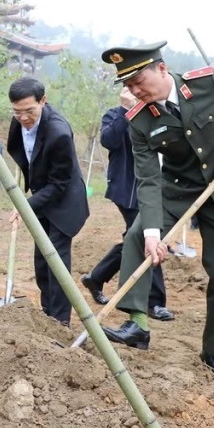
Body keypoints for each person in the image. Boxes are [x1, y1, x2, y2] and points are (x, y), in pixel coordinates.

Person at [99, 42, 214, 382]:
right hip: (176, 189)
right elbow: (148, 179)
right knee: (137, 236)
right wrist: (153, 234)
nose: (135, 91)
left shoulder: (208, 84)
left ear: (162, 69)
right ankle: (137, 324)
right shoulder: (139, 120)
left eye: (139, 81)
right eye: (129, 85)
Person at [81, 88, 172, 321]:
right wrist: (126, 109)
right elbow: (109, 140)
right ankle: (154, 302)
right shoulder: (114, 114)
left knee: (135, 238)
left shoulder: (158, 114)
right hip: (129, 190)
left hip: (157, 189)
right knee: (146, 236)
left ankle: (96, 277)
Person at [6, 77, 89, 326]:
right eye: (17, 111)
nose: (23, 117)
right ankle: (47, 312)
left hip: (64, 203)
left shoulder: (58, 132)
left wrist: (25, 206)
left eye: (29, 111)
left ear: (43, 101)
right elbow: (19, 152)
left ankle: (60, 322)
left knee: (56, 263)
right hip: (42, 198)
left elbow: (60, 184)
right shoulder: (18, 120)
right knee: (42, 261)